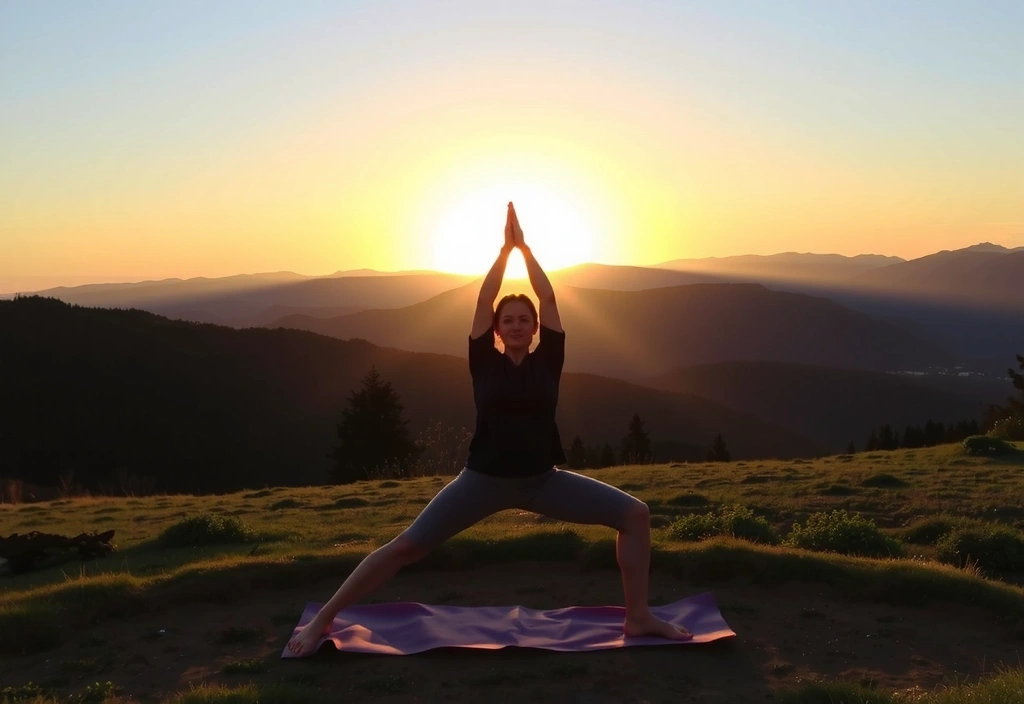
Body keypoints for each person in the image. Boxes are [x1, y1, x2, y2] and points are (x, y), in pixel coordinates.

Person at [287, 202, 691, 656]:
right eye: (508, 320)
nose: (516, 325)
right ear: (497, 330)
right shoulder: (483, 363)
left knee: (634, 515)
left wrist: (527, 251)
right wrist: (504, 254)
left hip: (543, 482)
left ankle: (638, 618)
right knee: (407, 547)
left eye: (524, 320)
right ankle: (324, 618)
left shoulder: (548, 361)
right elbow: (482, 300)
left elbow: (551, 299)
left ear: (536, 328)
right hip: (481, 482)